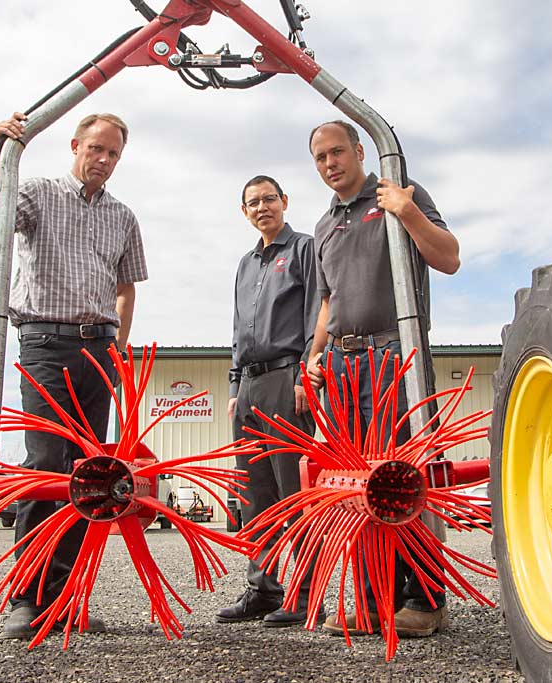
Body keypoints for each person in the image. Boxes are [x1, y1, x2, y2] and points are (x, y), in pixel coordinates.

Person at [0, 111, 149, 640]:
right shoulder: (38, 192)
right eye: (96, 148)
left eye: (113, 153)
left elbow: (127, 287)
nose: (104, 160)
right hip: (46, 341)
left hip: (99, 347)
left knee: (86, 476)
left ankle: (65, 598)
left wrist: (119, 346)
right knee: (46, 465)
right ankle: (26, 599)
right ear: (75, 145)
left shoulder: (122, 216)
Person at [305, 120, 460, 638]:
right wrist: (315, 351)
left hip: (397, 354)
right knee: (360, 485)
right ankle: (375, 601)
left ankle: (424, 598)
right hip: (345, 365)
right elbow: (329, 302)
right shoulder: (324, 226)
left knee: (402, 478)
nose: (330, 163)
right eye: (321, 157)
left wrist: (407, 210)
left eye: (337, 152)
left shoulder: (397, 195)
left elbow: (449, 257)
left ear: (359, 150)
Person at [215, 175, 322, 627]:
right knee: (255, 493)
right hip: (250, 387)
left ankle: (304, 595)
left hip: (287, 380)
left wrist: (305, 371)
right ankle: (263, 588)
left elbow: (318, 310)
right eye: (253, 202)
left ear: (284, 202)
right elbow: (240, 329)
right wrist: (235, 387)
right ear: (245, 212)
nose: (262, 207)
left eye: (269, 199)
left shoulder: (304, 250)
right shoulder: (244, 264)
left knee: (292, 491)